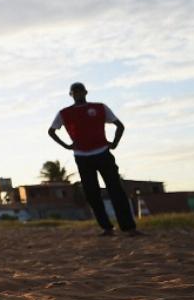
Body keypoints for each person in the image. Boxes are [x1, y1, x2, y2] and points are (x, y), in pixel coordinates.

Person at [48, 82, 140, 237]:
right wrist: (66, 146)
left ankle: (129, 227)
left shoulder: (99, 107)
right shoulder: (64, 113)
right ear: (71, 95)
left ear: (86, 92)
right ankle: (107, 228)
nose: (78, 94)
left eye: (80, 91)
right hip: (82, 157)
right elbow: (51, 131)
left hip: (103, 154)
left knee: (116, 189)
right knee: (92, 193)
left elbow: (120, 126)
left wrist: (114, 143)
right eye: (75, 92)